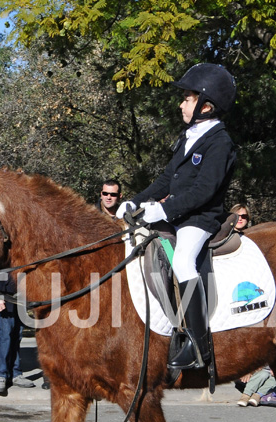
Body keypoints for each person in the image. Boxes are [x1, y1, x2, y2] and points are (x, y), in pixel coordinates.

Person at [115, 63, 237, 370]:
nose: (181, 103)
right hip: (179, 216)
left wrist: (164, 209)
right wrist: (136, 201)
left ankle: (198, 344)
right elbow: (166, 181)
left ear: (206, 106)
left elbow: (205, 191)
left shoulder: (220, 141)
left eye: (187, 98)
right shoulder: (189, 136)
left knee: (182, 260)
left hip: (200, 219)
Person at [0, 274, 36, 396]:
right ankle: (0, 374)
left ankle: (16, 373)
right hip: (4, 296)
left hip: (19, 297)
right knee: (6, 335)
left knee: (17, 335)